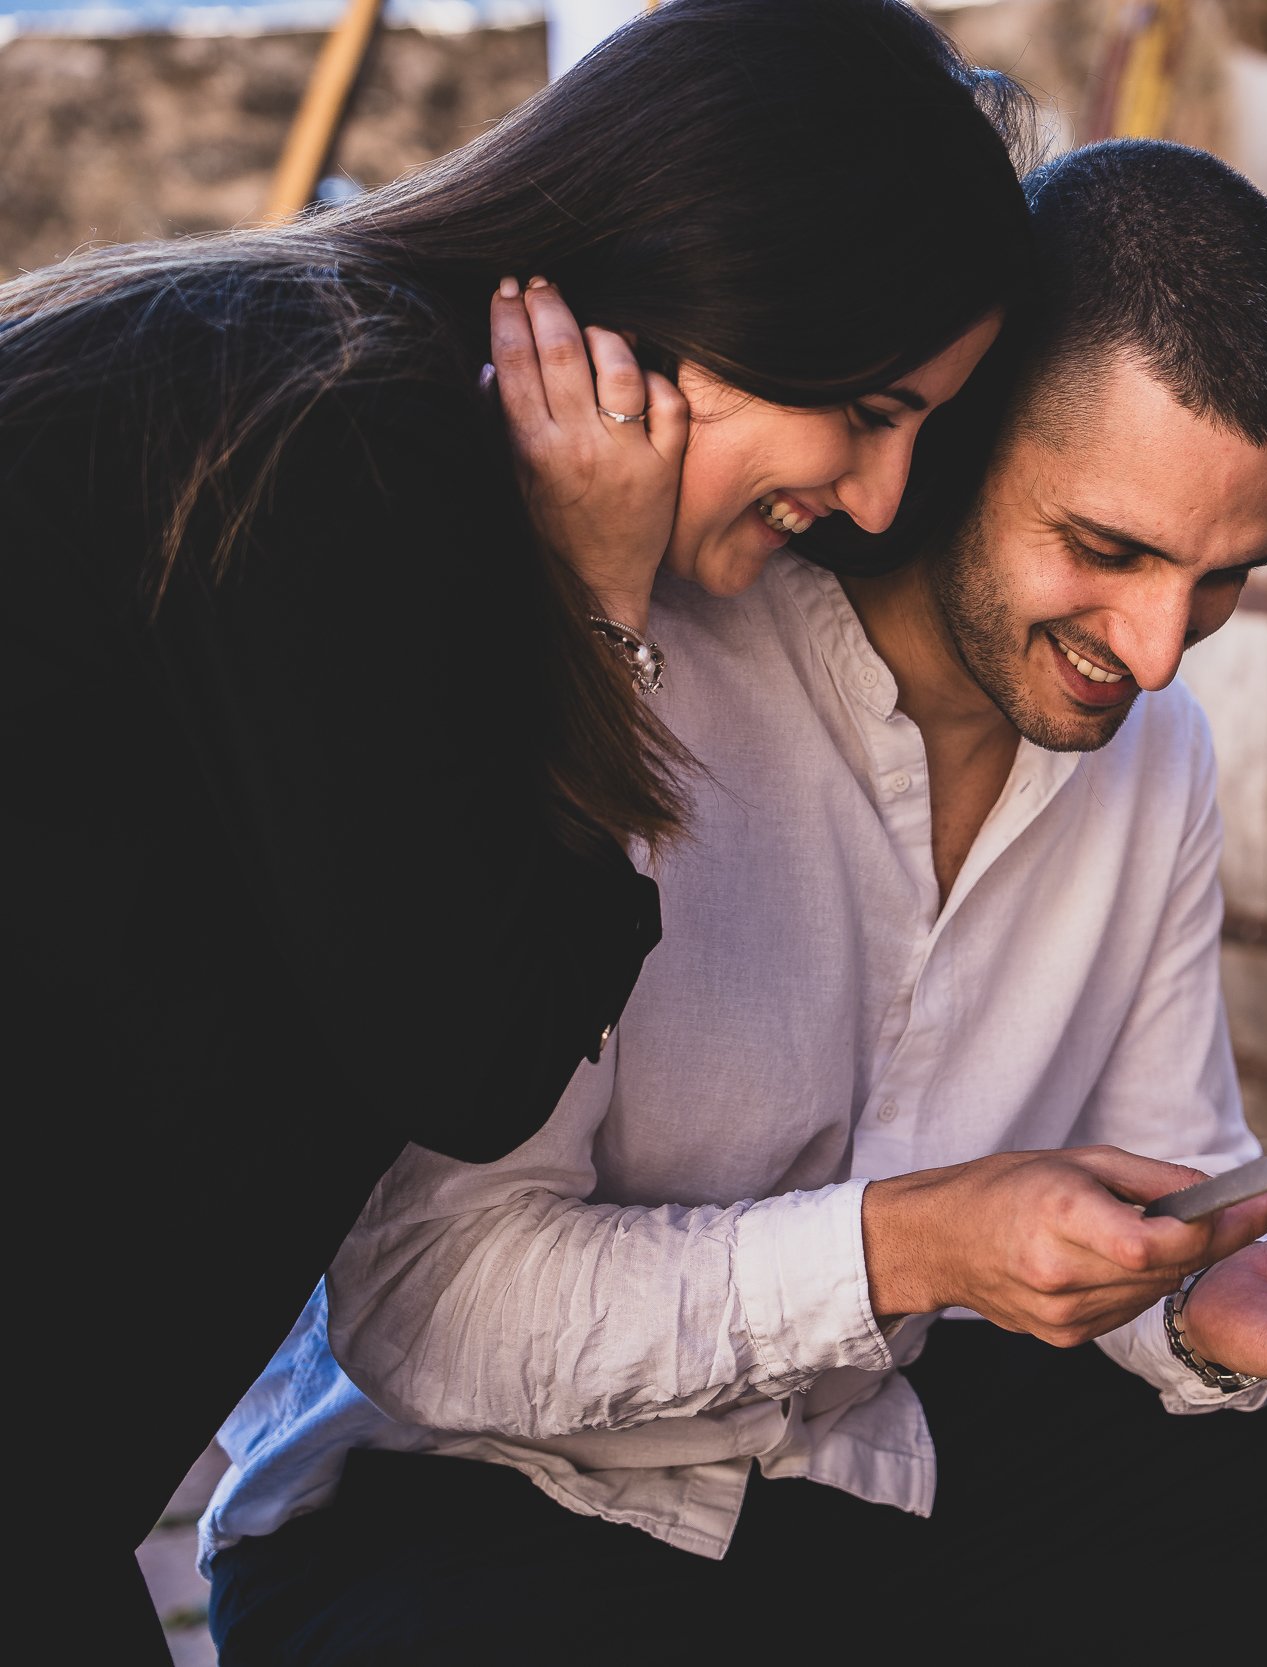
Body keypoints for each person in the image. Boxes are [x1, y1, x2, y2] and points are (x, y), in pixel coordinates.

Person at [200, 140, 1267, 1666]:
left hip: (887, 1454)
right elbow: (430, 1307)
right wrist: (904, 1250)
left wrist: (1208, 1306)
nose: (1156, 652)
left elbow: (1166, 1190)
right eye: (1106, 550)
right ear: (946, 439)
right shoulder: (632, 659)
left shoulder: (1156, 758)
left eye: (1222, 579)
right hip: (466, 1513)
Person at [3, 0, 1035, 1648]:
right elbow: (472, 1050)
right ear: (726, 293)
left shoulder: (296, 360)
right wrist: (601, 609)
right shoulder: (356, 447)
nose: (882, 497)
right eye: (875, 407)